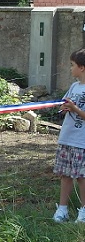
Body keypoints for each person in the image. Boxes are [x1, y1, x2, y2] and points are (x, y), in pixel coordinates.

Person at [52, 48, 85, 223]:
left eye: (72, 65)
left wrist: (75, 109)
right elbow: (64, 105)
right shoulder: (73, 86)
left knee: (81, 176)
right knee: (65, 175)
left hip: (81, 141)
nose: (70, 68)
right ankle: (62, 209)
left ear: (82, 68)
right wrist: (65, 108)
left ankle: (83, 211)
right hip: (66, 138)